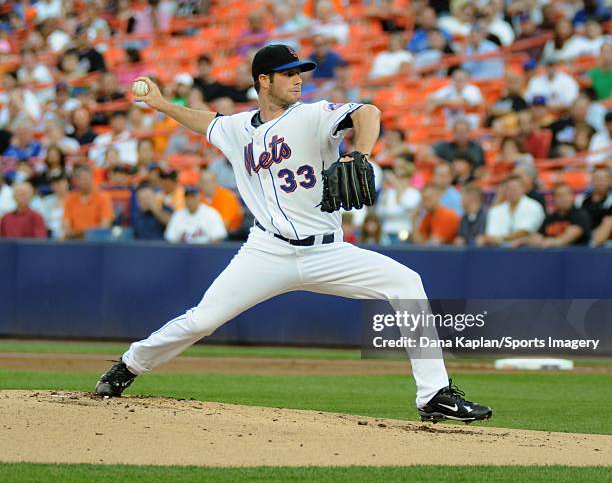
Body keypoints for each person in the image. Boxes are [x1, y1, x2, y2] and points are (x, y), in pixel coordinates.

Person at [95, 44, 492, 424]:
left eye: (300, 72)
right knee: (202, 321)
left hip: (328, 252)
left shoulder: (314, 114)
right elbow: (209, 123)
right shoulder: (238, 129)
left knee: (406, 283)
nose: (298, 79)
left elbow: (368, 111)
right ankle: (129, 364)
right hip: (266, 252)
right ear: (263, 80)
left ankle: (434, 395)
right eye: (288, 74)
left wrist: (360, 153)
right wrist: (163, 106)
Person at [478, 174, 545, 246]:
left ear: (523, 188)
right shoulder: (496, 210)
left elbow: (524, 232)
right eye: (508, 188)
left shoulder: (533, 206)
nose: (511, 191)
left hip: (528, 251)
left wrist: (499, 239)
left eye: (515, 188)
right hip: (499, 252)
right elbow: (492, 235)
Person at [517, 182, 591, 247]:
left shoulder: (580, 214)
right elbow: (537, 236)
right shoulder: (551, 217)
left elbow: (565, 239)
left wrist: (548, 242)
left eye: (567, 194)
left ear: (572, 197)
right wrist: (528, 240)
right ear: (554, 199)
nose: (564, 198)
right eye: (560, 196)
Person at [63, 165, 113, 239]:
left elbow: (104, 226)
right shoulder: (70, 199)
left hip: (96, 242)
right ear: (77, 181)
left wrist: (83, 234)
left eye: (87, 178)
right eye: (82, 179)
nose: (85, 182)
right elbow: (66, 226)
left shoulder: (104, 197)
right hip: (74, 241)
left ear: (93, 179)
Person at [199, 169, 243, 235]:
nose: (208, 185)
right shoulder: (199, 198)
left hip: (232, 236)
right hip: (206, 234)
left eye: (210, 182)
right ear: (200, 184)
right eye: (204, 183)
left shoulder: (227, 196)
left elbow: (224, 225)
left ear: (216, 182)